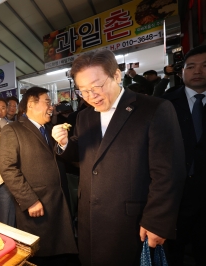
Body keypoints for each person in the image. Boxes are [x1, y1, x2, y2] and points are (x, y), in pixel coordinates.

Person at [51, 49, 186, 265]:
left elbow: (168, 172)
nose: (91, 96)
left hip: (132, 221)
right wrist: (66, 144)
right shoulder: (85, 116)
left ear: (116, 76)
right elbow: (86, 156)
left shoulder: (154, 108)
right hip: (90, 219)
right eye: (83, 91)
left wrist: (158, 221)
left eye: (97, 86)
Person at [0, 87, 78, 265]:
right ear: (31, 105)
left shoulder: (51, 129)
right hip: (37, 203)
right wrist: (29, 200)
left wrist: (64, 144)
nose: (52, 107)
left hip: (60, 201)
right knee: (41, 254)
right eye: (47, 102)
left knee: (63, 253)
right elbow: (8, 168)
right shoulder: (13, 130)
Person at [162, 45, 206, 266]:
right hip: (177, 191)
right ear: (181, 73)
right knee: (174, 248)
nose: (198, 71)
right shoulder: (165, 103)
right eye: (191, 66)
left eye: (205, 66)